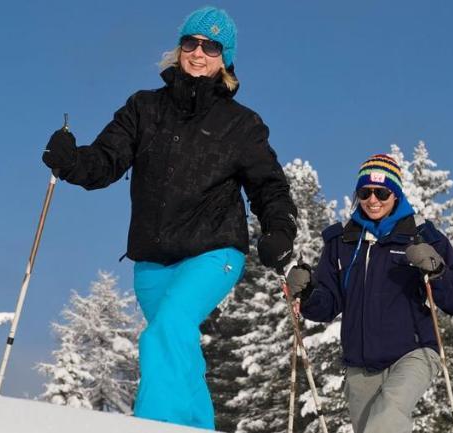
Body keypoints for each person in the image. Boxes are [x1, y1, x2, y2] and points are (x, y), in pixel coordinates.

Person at [41, 6, 297, 430]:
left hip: (215, 252)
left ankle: (152, 425)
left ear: (225, 59)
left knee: (169, 329)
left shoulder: (242, 124)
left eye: (211, 46)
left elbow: (269, 187)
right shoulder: (144, 108)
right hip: (153, 259)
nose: (199, 53)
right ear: (179, 48)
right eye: (191, 42)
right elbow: (105, 162)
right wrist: (71, 161)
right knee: (177, 348)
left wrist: (279, 230)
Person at [286, 154, 453, 433]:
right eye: (365, 192)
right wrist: (307, 290)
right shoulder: (342, 241)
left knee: (386, 419)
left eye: (382, 192)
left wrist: (436, 270)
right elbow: (326, 306)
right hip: (360, 364)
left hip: (413, 352)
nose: (373, 200)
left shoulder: (422, 236)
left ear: (395, 194)